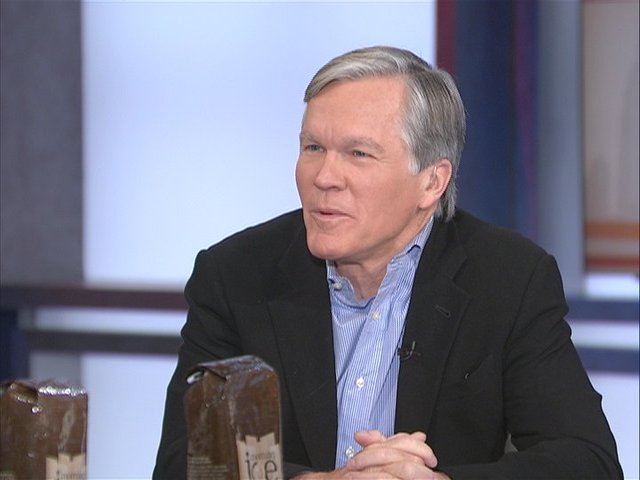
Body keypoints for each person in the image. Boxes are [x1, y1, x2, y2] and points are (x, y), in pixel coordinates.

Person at [153, 46, 622, 479]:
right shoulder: (236, 275)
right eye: (313, 148)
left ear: (432, 182)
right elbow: (184, 461)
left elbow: (588, 462)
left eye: (358, 154)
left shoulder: (508, 278)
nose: (324, 177)